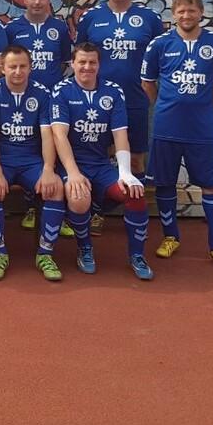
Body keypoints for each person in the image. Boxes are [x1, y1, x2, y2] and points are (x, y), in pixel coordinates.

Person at [141, 0, 213, 271]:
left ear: (201, 13)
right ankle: (171, 237)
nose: (187, 16)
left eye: (192, 11)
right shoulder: (159, 44)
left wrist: (201, 104)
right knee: (164, 183)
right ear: (173, 15)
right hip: (166, 127)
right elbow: (147, 83)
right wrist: (165, 105)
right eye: (181, 11)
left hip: (201, 129)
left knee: (210, 185)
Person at [51, 43, 154, 280]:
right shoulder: (61, 91)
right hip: (71, 165)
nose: (87, 67)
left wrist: (126, 172)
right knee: (79, 198)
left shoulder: (113, 91)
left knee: (135, 192)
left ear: (99, 64)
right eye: (82, 62)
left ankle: (136, 255)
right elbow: (59, 135)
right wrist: (74, 173)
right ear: (73, 64)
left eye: (92, 62)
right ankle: (85, 248)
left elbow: (120, 135)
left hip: (101, 165)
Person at [75, 0, 164, 234]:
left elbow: (160, 61)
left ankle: (132, 214)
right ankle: (97, 212)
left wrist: (153, 96)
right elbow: (81, 57)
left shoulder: (149, 18)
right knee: (97, 157)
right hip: (97, 103)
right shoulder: (91, 17)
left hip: (135, 101)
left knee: (135, 160)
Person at [0, 45, 65, 281]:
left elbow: (48, 134)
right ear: (2, 68)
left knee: (56, 187)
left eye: (23, 66)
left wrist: (48, 169)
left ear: (31, 67)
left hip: (31, 161)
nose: (18, 71)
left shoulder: (42, 93)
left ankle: (45, 254)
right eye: (12, 66)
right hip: (1, 160)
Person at [4, 0, 73, 231]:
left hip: (53, 102)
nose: (37, 2)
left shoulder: (60, 28)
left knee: (55, 151)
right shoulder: (12, 29)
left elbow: (66, 63)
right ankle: (31, 207)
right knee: (30, 151)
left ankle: (57, 211)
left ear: (49, 0)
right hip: (20, 104)